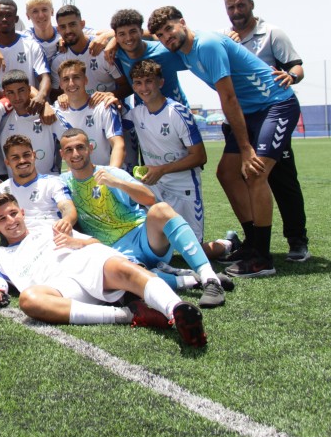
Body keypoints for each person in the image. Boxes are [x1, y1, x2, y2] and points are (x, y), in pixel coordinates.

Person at [149, 5, 302, 278]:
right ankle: (252, 242)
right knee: (227, 174)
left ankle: (263, 258)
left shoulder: (206, 45)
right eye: (160, 35)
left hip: (275, 104)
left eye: (169, 29)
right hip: (251, 113)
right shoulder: (184, 53)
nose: (166, 37)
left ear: (183, 23)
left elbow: (228, 98)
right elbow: (143, 40)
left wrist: (246, 149)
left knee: (255, 173)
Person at [0, 193, 208, 348]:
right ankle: (128, 314)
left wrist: (78, 242)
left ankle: (177, 311)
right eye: (3, 219)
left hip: (82, 261)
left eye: (13, 214)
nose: (11, 221)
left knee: (124, 268)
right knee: (29, 300)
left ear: (22, 213)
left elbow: (96, 245)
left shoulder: (49, 226)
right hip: (60, 287)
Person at [58, 128, 229, 308]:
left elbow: (149, 198)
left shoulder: (109, 173)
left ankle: (209, 279)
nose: (75, 154)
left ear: (90, 148)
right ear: (62, 154)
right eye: (69, 150)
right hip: (116, 252)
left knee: (161, 210)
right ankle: (190, 281)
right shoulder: (62, 183)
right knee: (122, 281)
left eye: (80, 147)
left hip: (143, 238)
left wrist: (117, 183)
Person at [224, 0, 310, 262]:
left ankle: (297, 240)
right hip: (243, 119)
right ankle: (253, 239)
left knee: (281, 179)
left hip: (272, 114)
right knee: (240, 177)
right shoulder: (227, 39)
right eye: (230, 7)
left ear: (251, 4)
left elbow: (297, 66)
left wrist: (292, 76)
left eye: (241, 5)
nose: (236, 12)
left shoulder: (272, 33)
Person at [128, 60, 207, 241]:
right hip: (154, 187)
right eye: (138, 83)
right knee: (156, 245)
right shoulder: (135, 113)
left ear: (160, 82)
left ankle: (227, 243)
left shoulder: (178, 113)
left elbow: (200, 156)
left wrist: (162, 169)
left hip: (184, 188)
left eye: (149, 81)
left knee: (193, 249)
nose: (144, 88)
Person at [107, 9, 189, 106]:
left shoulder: (165, 51)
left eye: (133, 31)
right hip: (144, 118)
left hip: (176, 115)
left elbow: (193, 57)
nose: (128, 38)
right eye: (122, 34)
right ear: (116, 37)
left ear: (141, 32)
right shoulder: (116, 53)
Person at [54, 60, 125, 168]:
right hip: (76, 179)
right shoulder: (56, 109)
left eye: (76, 77)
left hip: (103, 174)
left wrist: (111, 175)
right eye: (66, 79)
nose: (71, 83)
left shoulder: (104, 105)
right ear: (61, 84)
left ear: (85, 80)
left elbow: (118, 144)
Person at [0, 70, 67, 175]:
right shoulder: (3, 119)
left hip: (48, 184)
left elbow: (72, 141)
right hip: (17, 188)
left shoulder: (49, 114)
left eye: (21, 90)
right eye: (11, 92)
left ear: (29, 89)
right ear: (5, 94)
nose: (17, 97)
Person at [50, 5, 126, 96]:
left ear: (82, 24)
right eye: (63, 27)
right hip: (78, 110)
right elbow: (55, 94)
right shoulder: (58, 60)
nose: (68, 30)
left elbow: (127, 86)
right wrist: (62, 98)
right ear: (58, 29)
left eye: (72, 24)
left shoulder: (104, 50)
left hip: (108, 108)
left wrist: (107, 97)